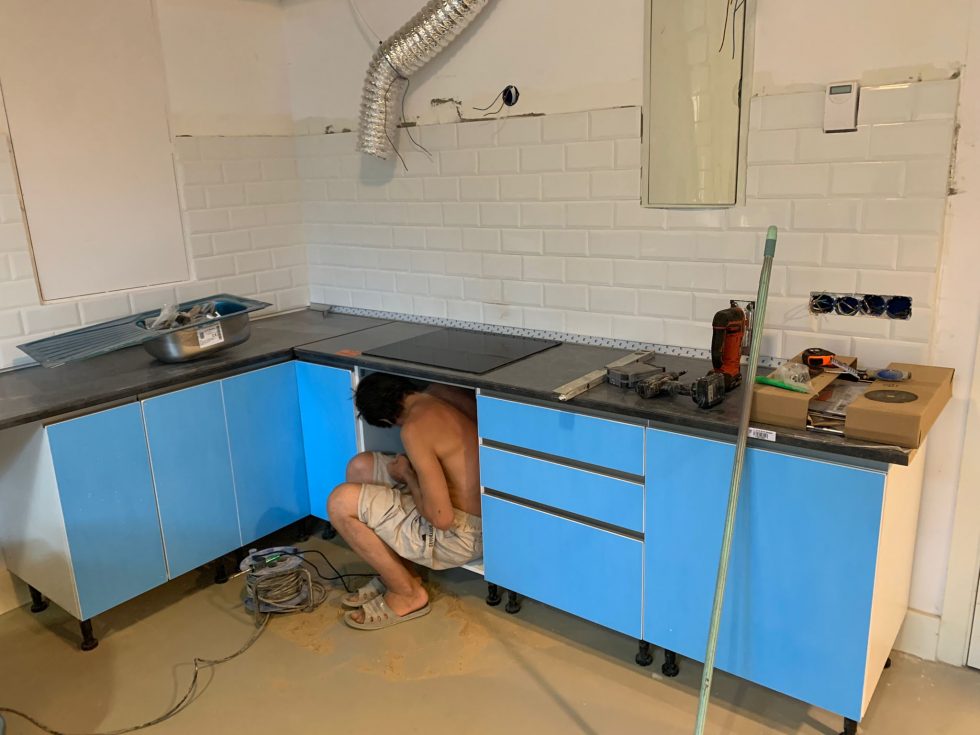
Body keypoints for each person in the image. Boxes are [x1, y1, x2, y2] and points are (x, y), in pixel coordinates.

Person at [326, 373, 482, 630]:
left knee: (339, 503)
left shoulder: (414, 429)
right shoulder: (439, 391)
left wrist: (408, 475)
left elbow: (442, 519)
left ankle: (407, 594)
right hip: (480, 515)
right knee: (360, 468)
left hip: (460, 536)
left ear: (387, 420)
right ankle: (400, 575)